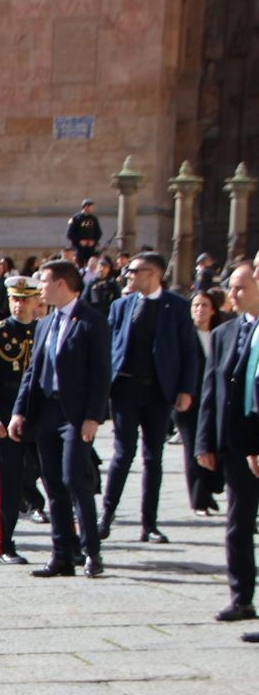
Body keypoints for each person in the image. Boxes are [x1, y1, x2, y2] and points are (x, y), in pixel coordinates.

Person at [10, 259, 112, 578]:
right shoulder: (45, 323)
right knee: (52, 484)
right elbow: (32, 372)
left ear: (62, 284)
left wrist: (93, 416)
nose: (40, 287)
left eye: (44, 281)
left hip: (76, 415)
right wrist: (18, 412)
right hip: (46, 412)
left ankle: (91, 551)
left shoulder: (91, 321)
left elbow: (101, 374)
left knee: (74, 480)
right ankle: (61, 555)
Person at [100, 252, 197, 544]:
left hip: (159, 392)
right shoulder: (120, 305)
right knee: (122, 454)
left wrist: (185, 389)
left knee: (154, 457)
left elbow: (189, 351)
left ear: (153, 274)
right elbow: (110, 348)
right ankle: (105, 517)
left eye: (134, 271)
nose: (128, 275)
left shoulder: (177, 307)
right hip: (125, 390)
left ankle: (149, 524)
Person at [195, 264, 259, 631]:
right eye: (230, 288)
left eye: (240, 287)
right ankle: (241, 598)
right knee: (238, 524)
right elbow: (210, 392)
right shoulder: (224, 333)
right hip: (237, 444)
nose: (232, 295)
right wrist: (205, 441)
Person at [0, 275, 48, 564]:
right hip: (6, 415)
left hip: (40, 414)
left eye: (25, 299)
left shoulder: (44, 330)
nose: (19, 305)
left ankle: (67, 541)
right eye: (15, 299)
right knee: (9, 483)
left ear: (35, 301)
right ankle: (3, 543)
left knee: (56, 479)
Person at [178, 290, 222, 517]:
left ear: (213, 309)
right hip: (189, 400)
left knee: (211, 446)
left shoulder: (219, 333)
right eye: (195, 305)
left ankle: (209, 489)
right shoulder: (185, 335)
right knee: (192, 448)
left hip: (214, 401)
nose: (199, 310)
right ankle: (198, 499)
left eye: (204, 305)